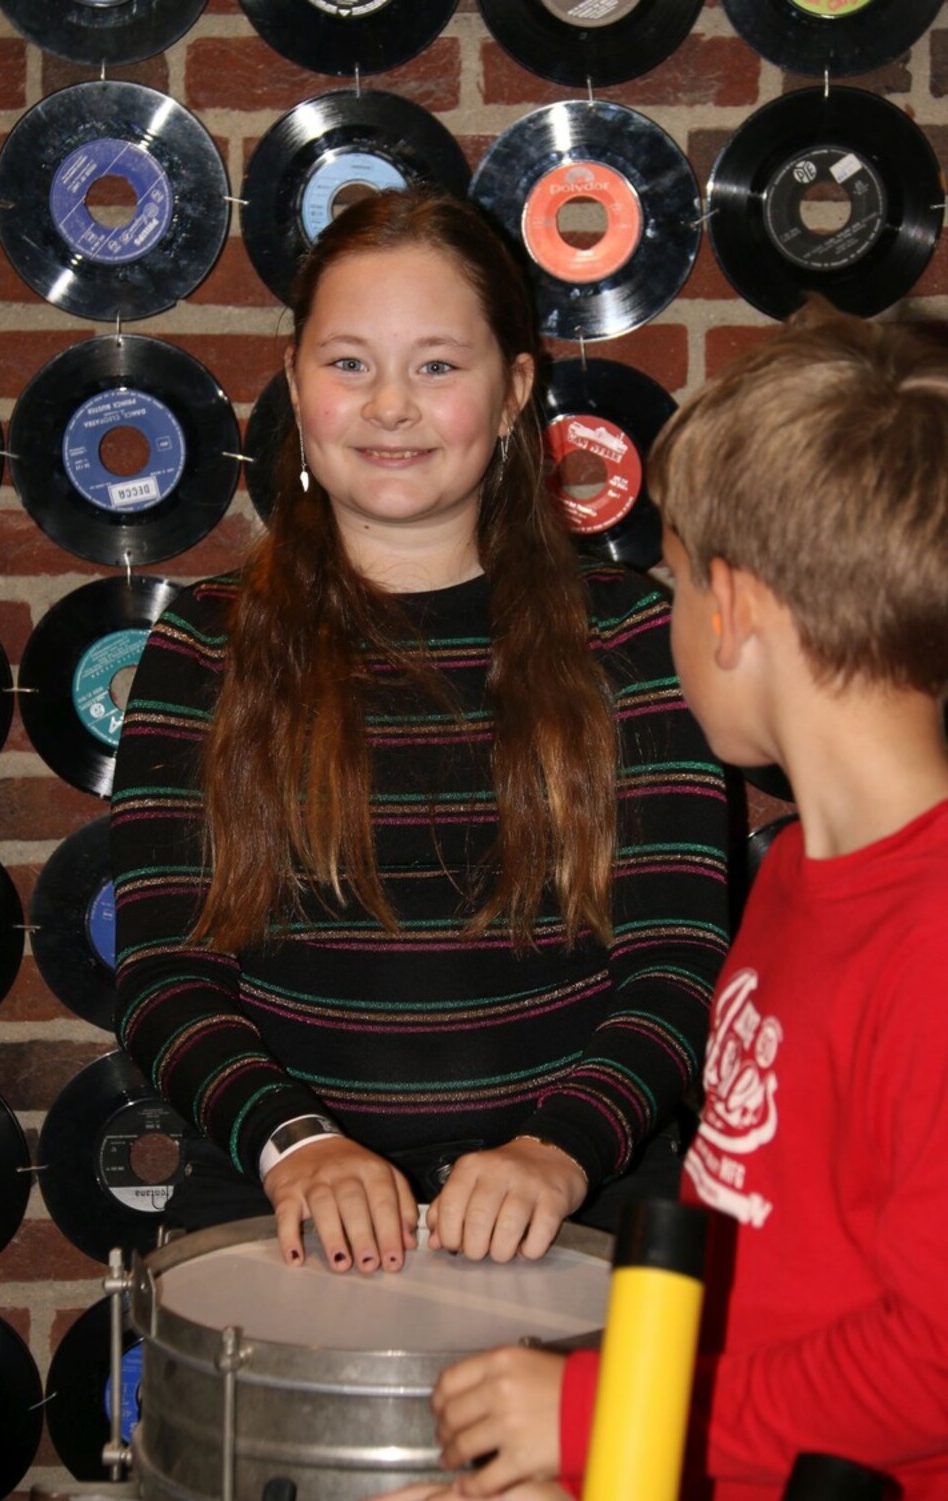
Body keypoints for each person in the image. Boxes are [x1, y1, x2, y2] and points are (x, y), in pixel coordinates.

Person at [379, 301, 948, 1500]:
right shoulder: (795, 878)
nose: (669, 615)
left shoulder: (930, 940)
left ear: (730, 610)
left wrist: (598, 1413)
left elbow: (932, 1362)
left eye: (676, 582)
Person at [110, 188, 730, 1281]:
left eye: (437, 365)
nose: (390, 405)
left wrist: (558, 1150)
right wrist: (297, 1142)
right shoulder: (205, 645)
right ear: (294, 380)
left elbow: (677, 963)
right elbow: (165, 975)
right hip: (280, 1207)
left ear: (514, 391)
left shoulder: (633, 638)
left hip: (578, 1204)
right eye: (349, 363)